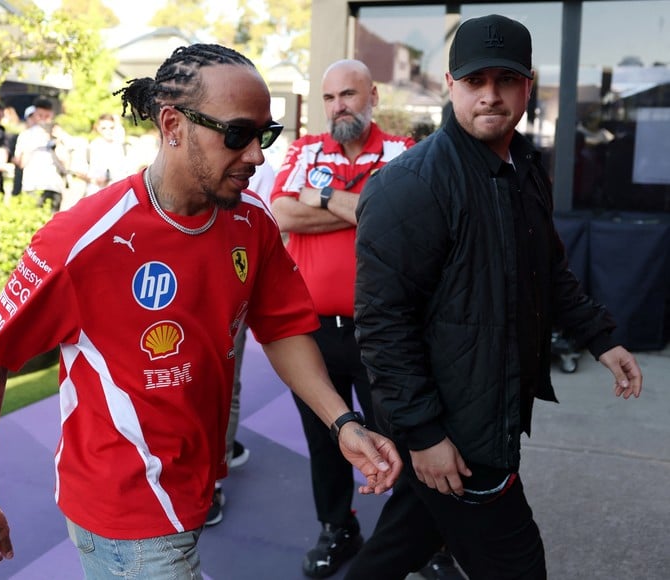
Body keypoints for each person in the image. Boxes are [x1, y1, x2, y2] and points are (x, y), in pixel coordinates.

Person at [0, 43, 402, 579]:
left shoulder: (251, 222)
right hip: (127, 512)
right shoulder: (83, 240)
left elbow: (282, 330)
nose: (257, 155)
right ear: (172, 124)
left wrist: (342, 422)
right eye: (237, 134)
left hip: (196, 483)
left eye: (266, 134)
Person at [348, 14, 643, 580]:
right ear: (450, 85)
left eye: (504, 80)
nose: (490, 95)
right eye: (474, 80)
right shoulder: (411, 185)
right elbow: (384, 326)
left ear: (528, 85)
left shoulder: (524, 167)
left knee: (403, 540)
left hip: (489, 412)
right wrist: (426, 436)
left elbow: (547, 271)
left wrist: (600, 339)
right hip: (454, 429)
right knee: (518, 566)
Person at [269, 59, 415, 579]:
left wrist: (325, 196)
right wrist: (363, 206)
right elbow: (282, 213)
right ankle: (338, 528)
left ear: (372, 95)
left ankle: (424, 540)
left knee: (405, 437)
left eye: (349, 94)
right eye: (330, 98)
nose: (339, 107)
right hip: (312, 334)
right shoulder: (305, 148)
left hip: (385, 332)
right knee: (325, 438)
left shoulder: (402, 152)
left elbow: (405, 218)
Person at [205, 159, 275, 527]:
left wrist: (341, 422)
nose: (254, 153)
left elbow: (280, 218)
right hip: (197, 288)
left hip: (235, 282)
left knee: (226, 383)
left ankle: (215, 479)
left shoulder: (257, 186)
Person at [12, 96, 69, 211]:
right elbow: (21, 163)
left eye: (47, 116)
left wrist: (57, 141)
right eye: (40, 115)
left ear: (52, 115)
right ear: (35, 115)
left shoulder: (58, 134)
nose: (43, 119)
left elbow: (66, 163)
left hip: (53, 186)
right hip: (31, 186)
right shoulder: (26, 135)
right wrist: (34, 144)